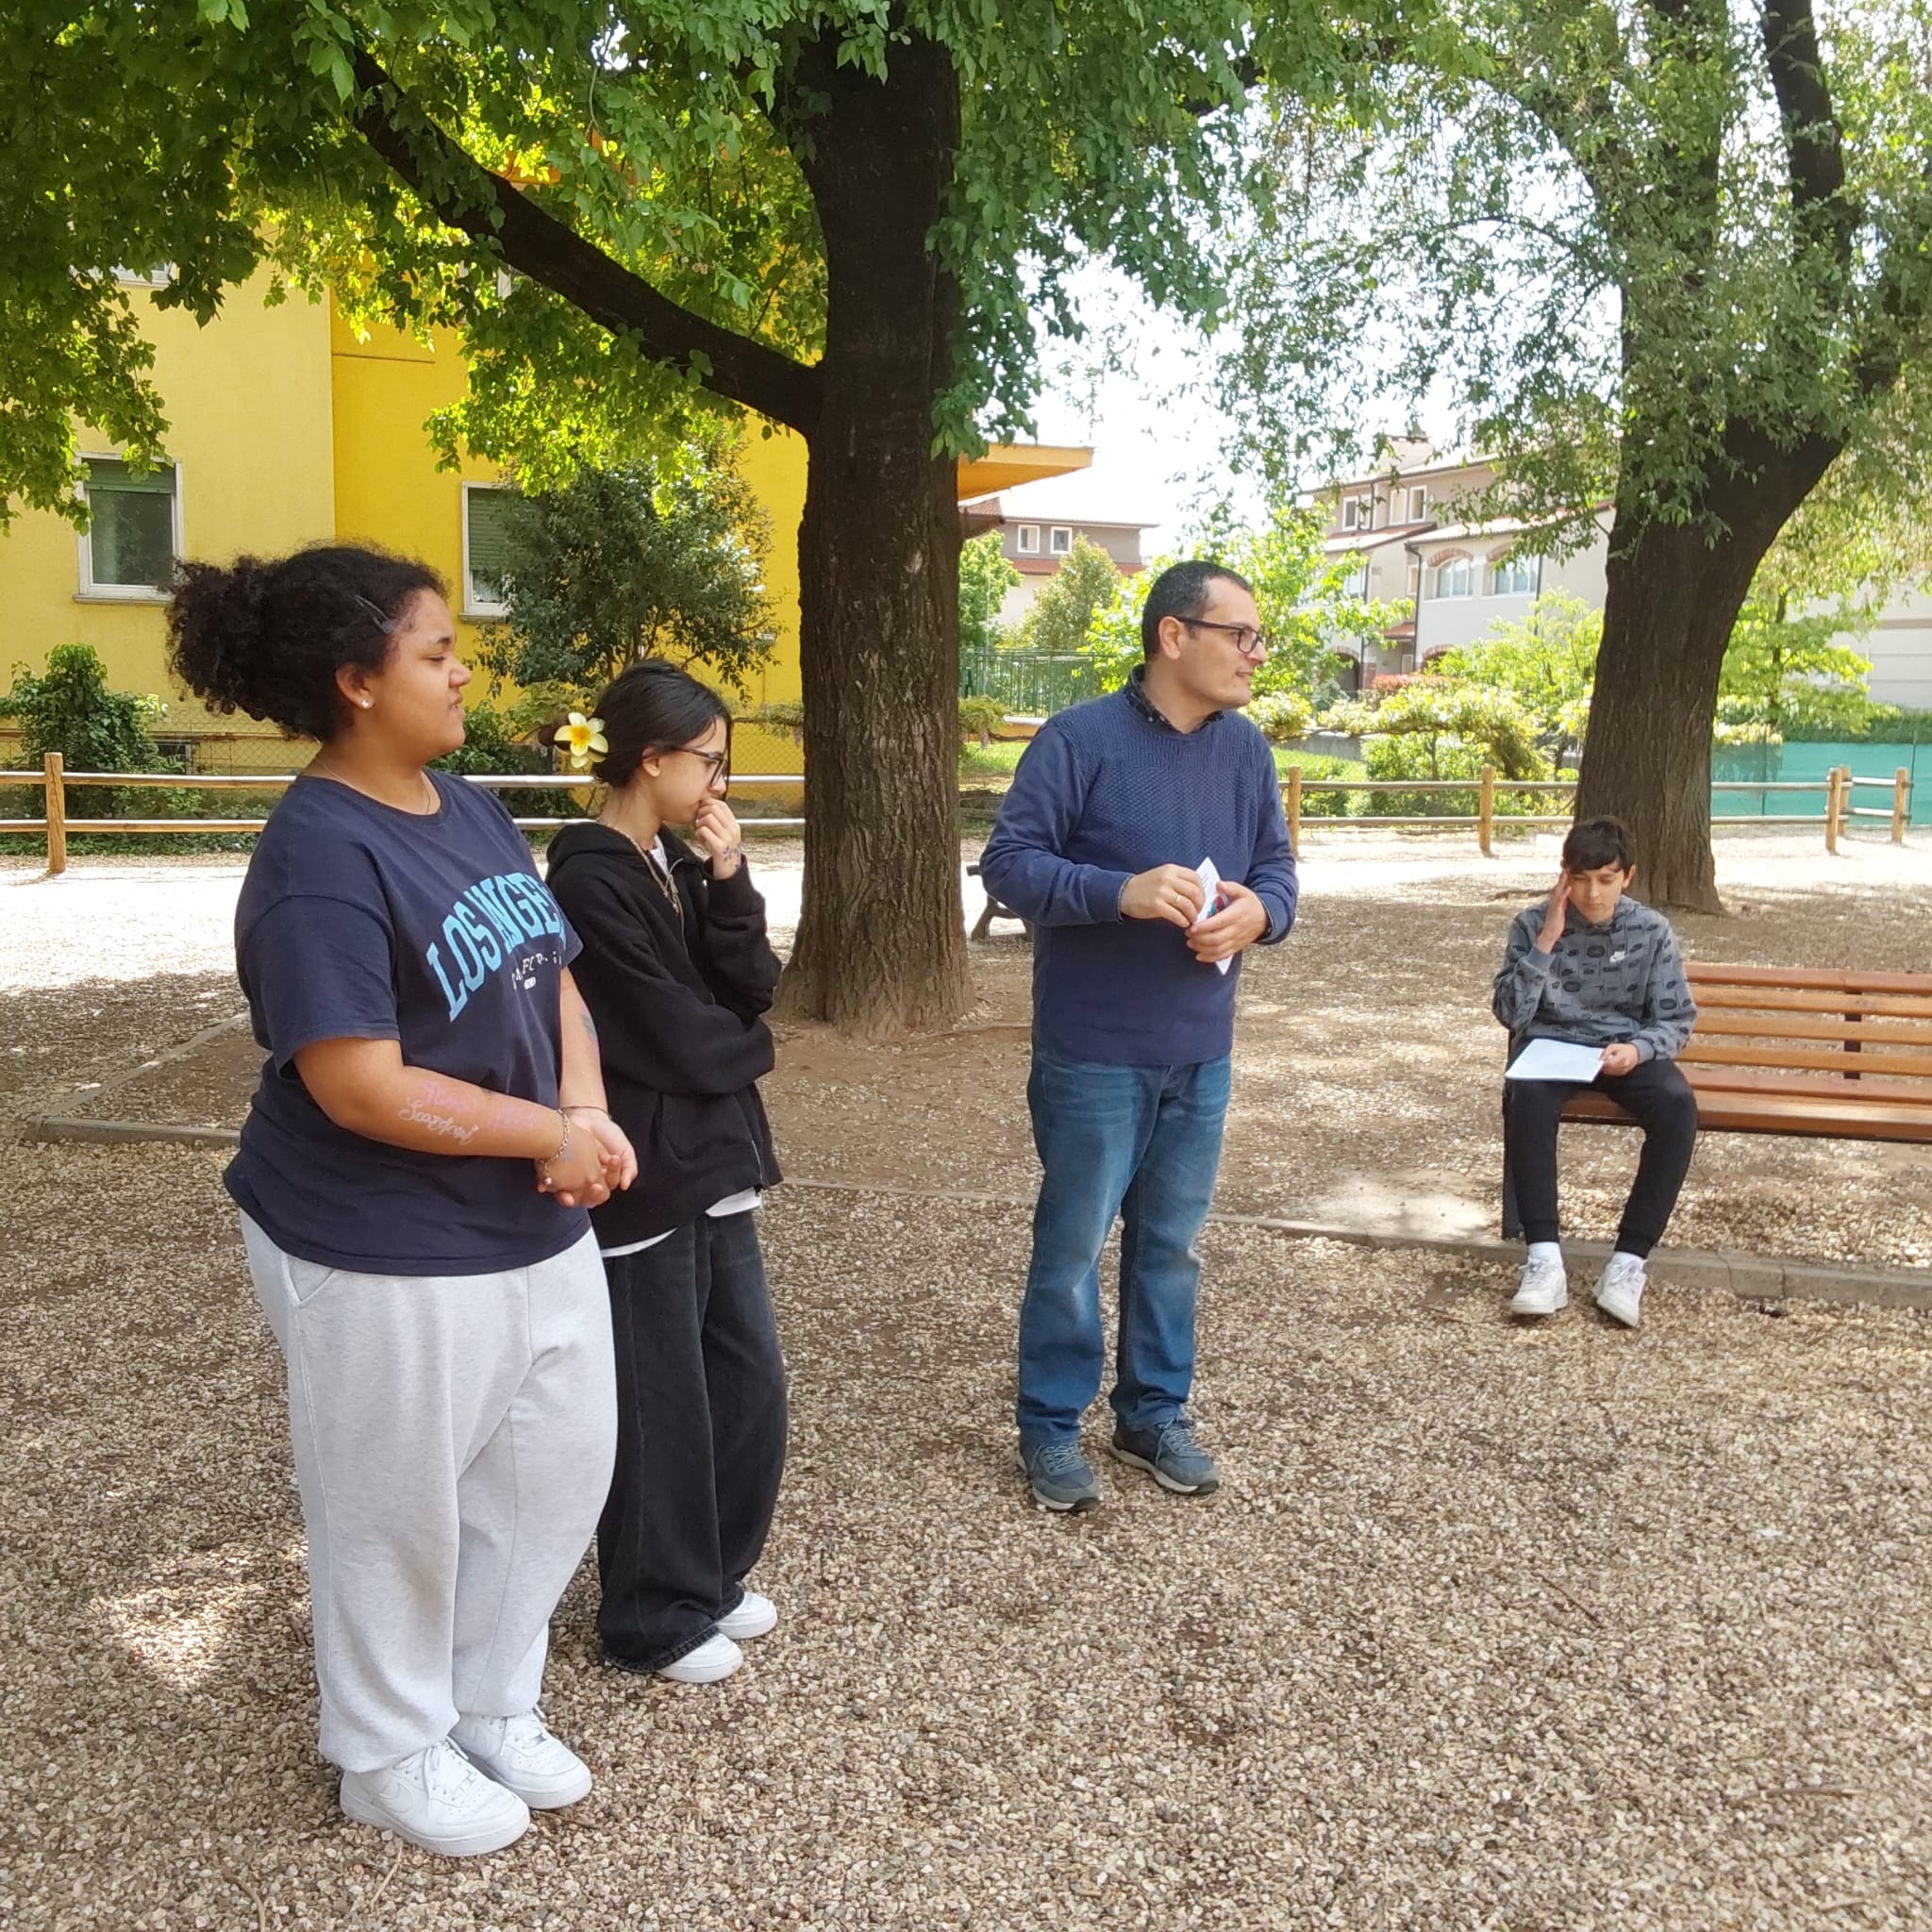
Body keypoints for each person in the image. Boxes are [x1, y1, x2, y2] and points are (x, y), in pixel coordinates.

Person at [166, 544, 635, 1858]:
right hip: (376, 1236)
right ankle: (385, 1750)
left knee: (555, 1468)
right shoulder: (317, 854)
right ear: (357, 680)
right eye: (437, 651)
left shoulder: (466, 805)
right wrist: (549, 1132)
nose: (463, 671)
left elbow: (552, 973)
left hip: (529, 1207)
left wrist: (584, 1113)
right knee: (394, 1506)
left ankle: (488, 1699)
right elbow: (360, 1085)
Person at [978, 560, 1298, 1512]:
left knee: (1172, 1246)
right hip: (1093, 1053)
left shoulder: (1245, 751)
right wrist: (1116, 892)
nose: (1255, 654)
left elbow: (1277, 872)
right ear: (1173, 635)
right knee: (1072, 1248)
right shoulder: (1078, 740)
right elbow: (1008, 865)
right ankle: (1049, 1425)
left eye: (1257, 638)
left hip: (1201, 1049)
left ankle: (1152, 1413)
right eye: (1240, 634)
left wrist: (1261, 916)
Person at [544, 661, 788, 1687]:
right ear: (652, 759)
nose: (718, 783)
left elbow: (753, 984)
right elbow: (669, 1033)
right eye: (709, 762)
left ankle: (710, 1575)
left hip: (713, 1154)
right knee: (660, 1396)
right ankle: (650, 1611)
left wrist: (729, 877)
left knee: (745, 1381)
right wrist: (751, 1048)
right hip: (645, 1167)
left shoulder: (672, 861)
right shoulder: (588, 879)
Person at [1492, 814, 1699, 1328]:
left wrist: (1638, 1049)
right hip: (1552, 1048)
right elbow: (1511, 1014)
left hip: (1622, 1049)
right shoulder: (1531, 924)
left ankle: (1629, 1262)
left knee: (1677, 1107)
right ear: (1564, 875)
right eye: (1581, 879)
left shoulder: (1651, 930)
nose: (1592, 893)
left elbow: (1676, 1019)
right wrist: (1547, 939)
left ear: (1627, 877)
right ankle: (1544, 1258)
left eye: (1606, 879)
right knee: (1526, 1096)